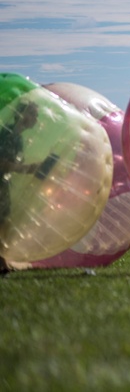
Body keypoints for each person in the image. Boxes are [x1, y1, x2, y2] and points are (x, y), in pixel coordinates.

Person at [0, 102, 58, 275]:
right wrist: (27, 169)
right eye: (33, 114)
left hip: (3, 184)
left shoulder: (16, 136)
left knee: (4, 221)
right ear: (22, 114)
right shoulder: (9, 134)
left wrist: (34, 168)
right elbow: (2, 163)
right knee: (2, 222)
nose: (36, 118)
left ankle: (2, 260)